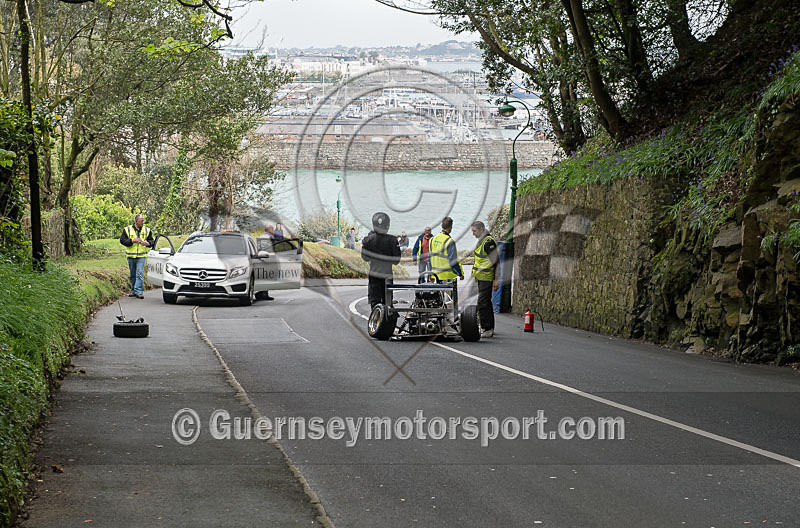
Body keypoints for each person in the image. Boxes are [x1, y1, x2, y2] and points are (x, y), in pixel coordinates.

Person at [361, 212, 401, 308]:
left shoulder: (368, 240)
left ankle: (375, 320)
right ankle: (387, 319)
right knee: (388, 301)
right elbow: (396, 260)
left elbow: (365, 257)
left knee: (375, 301)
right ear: (387, 226)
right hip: (387, 273)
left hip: (374, 273)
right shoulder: (393, 240)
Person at [471, 221, 499, 338]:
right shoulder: (482, 240)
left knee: (482, 303)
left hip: (487, 277)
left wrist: (496, 279)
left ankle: (486, 328)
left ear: (481, 229)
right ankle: (489, 327)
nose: (473, 234)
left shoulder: (488, 242)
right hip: (481, 277)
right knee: (486, 302)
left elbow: (496, 261)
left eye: (474, 231)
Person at [120, 214, 154, 299]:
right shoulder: (127, 229)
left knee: (140, 273)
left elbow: (152, 241)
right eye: (141, 220)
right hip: (131, 256)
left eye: (143, 220)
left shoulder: (147, 230)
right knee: (132, 274)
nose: (143, 222)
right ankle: (133, 290)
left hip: (141, 256)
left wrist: (148, 243)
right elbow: (122, 241)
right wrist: (132, 240)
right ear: (136, 221)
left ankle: (139, 291)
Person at [429, 217, 464, 282]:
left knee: (438, 292)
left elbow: (429, 259)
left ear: (442, 226)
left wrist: (430, 275)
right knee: (450, 292)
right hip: (448, 276)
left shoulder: (432, 239)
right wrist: (460, 274)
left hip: (436, 275)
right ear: (451, 227)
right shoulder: (449, 241)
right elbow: (453, 261)